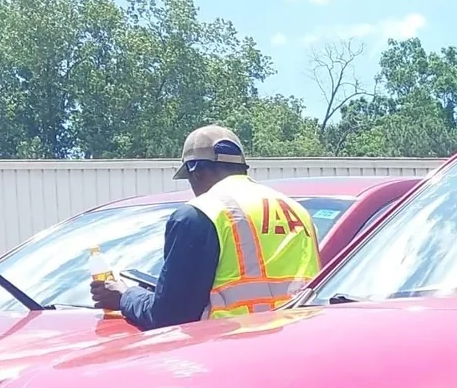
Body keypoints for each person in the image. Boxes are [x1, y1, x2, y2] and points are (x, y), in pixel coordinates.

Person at [89, 126, 321, 330]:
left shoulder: (201, 213)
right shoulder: (297, 211)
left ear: (195, 171)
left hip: (228, 348)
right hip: (294, 346)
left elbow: (170, 317)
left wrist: (124, 296)